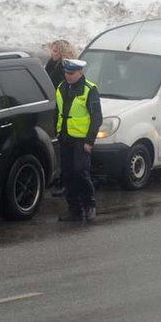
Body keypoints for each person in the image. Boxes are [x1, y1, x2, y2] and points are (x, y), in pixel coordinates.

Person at [55, 59, 102, 222]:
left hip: (81, 140)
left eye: (71, 73)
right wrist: (57, 132)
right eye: (66, 73)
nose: (68, 76)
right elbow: (58, 111)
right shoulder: (61, 87)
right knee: (68, 174)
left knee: (81, 172)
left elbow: (97, 118)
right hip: (65, 137)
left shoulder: (89, 90)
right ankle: (74, 209)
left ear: (80, 73)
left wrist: (90, 141)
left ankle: (90, 206)